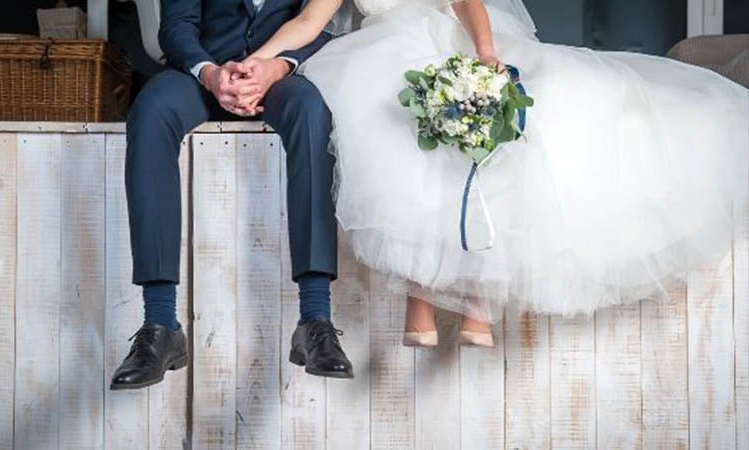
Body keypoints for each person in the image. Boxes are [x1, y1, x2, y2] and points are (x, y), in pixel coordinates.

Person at [247, 0, 749, 346]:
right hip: (381, 50)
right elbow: (309, 24)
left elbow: (468, 2)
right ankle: (421, 301)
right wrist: (252, 63)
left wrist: (486, 53)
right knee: (391, 123)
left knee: (528, 112)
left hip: (452, 37)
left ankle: (478, 301)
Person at [110, 0, 355, 390]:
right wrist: (209, 73)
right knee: (151, 108)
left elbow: (323, 25)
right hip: (204, 79)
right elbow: (175, 26)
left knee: (312, 112)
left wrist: (276, 66)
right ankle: (160, 325)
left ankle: (314, 319)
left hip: (282, 78)